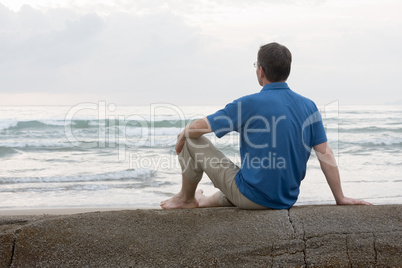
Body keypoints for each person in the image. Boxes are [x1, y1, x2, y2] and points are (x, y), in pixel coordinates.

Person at [160, 42, 372, 210]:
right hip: (284, 199)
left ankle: (186, 198)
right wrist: (340, 197)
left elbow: (200, 126)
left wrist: (182, 133)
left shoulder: (248, 103)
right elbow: (325, 153)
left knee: (191, 139)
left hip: (252, 196)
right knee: (230, 191)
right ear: (286, 71)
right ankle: (200, 200)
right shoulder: (309, 106)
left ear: (261, 71)